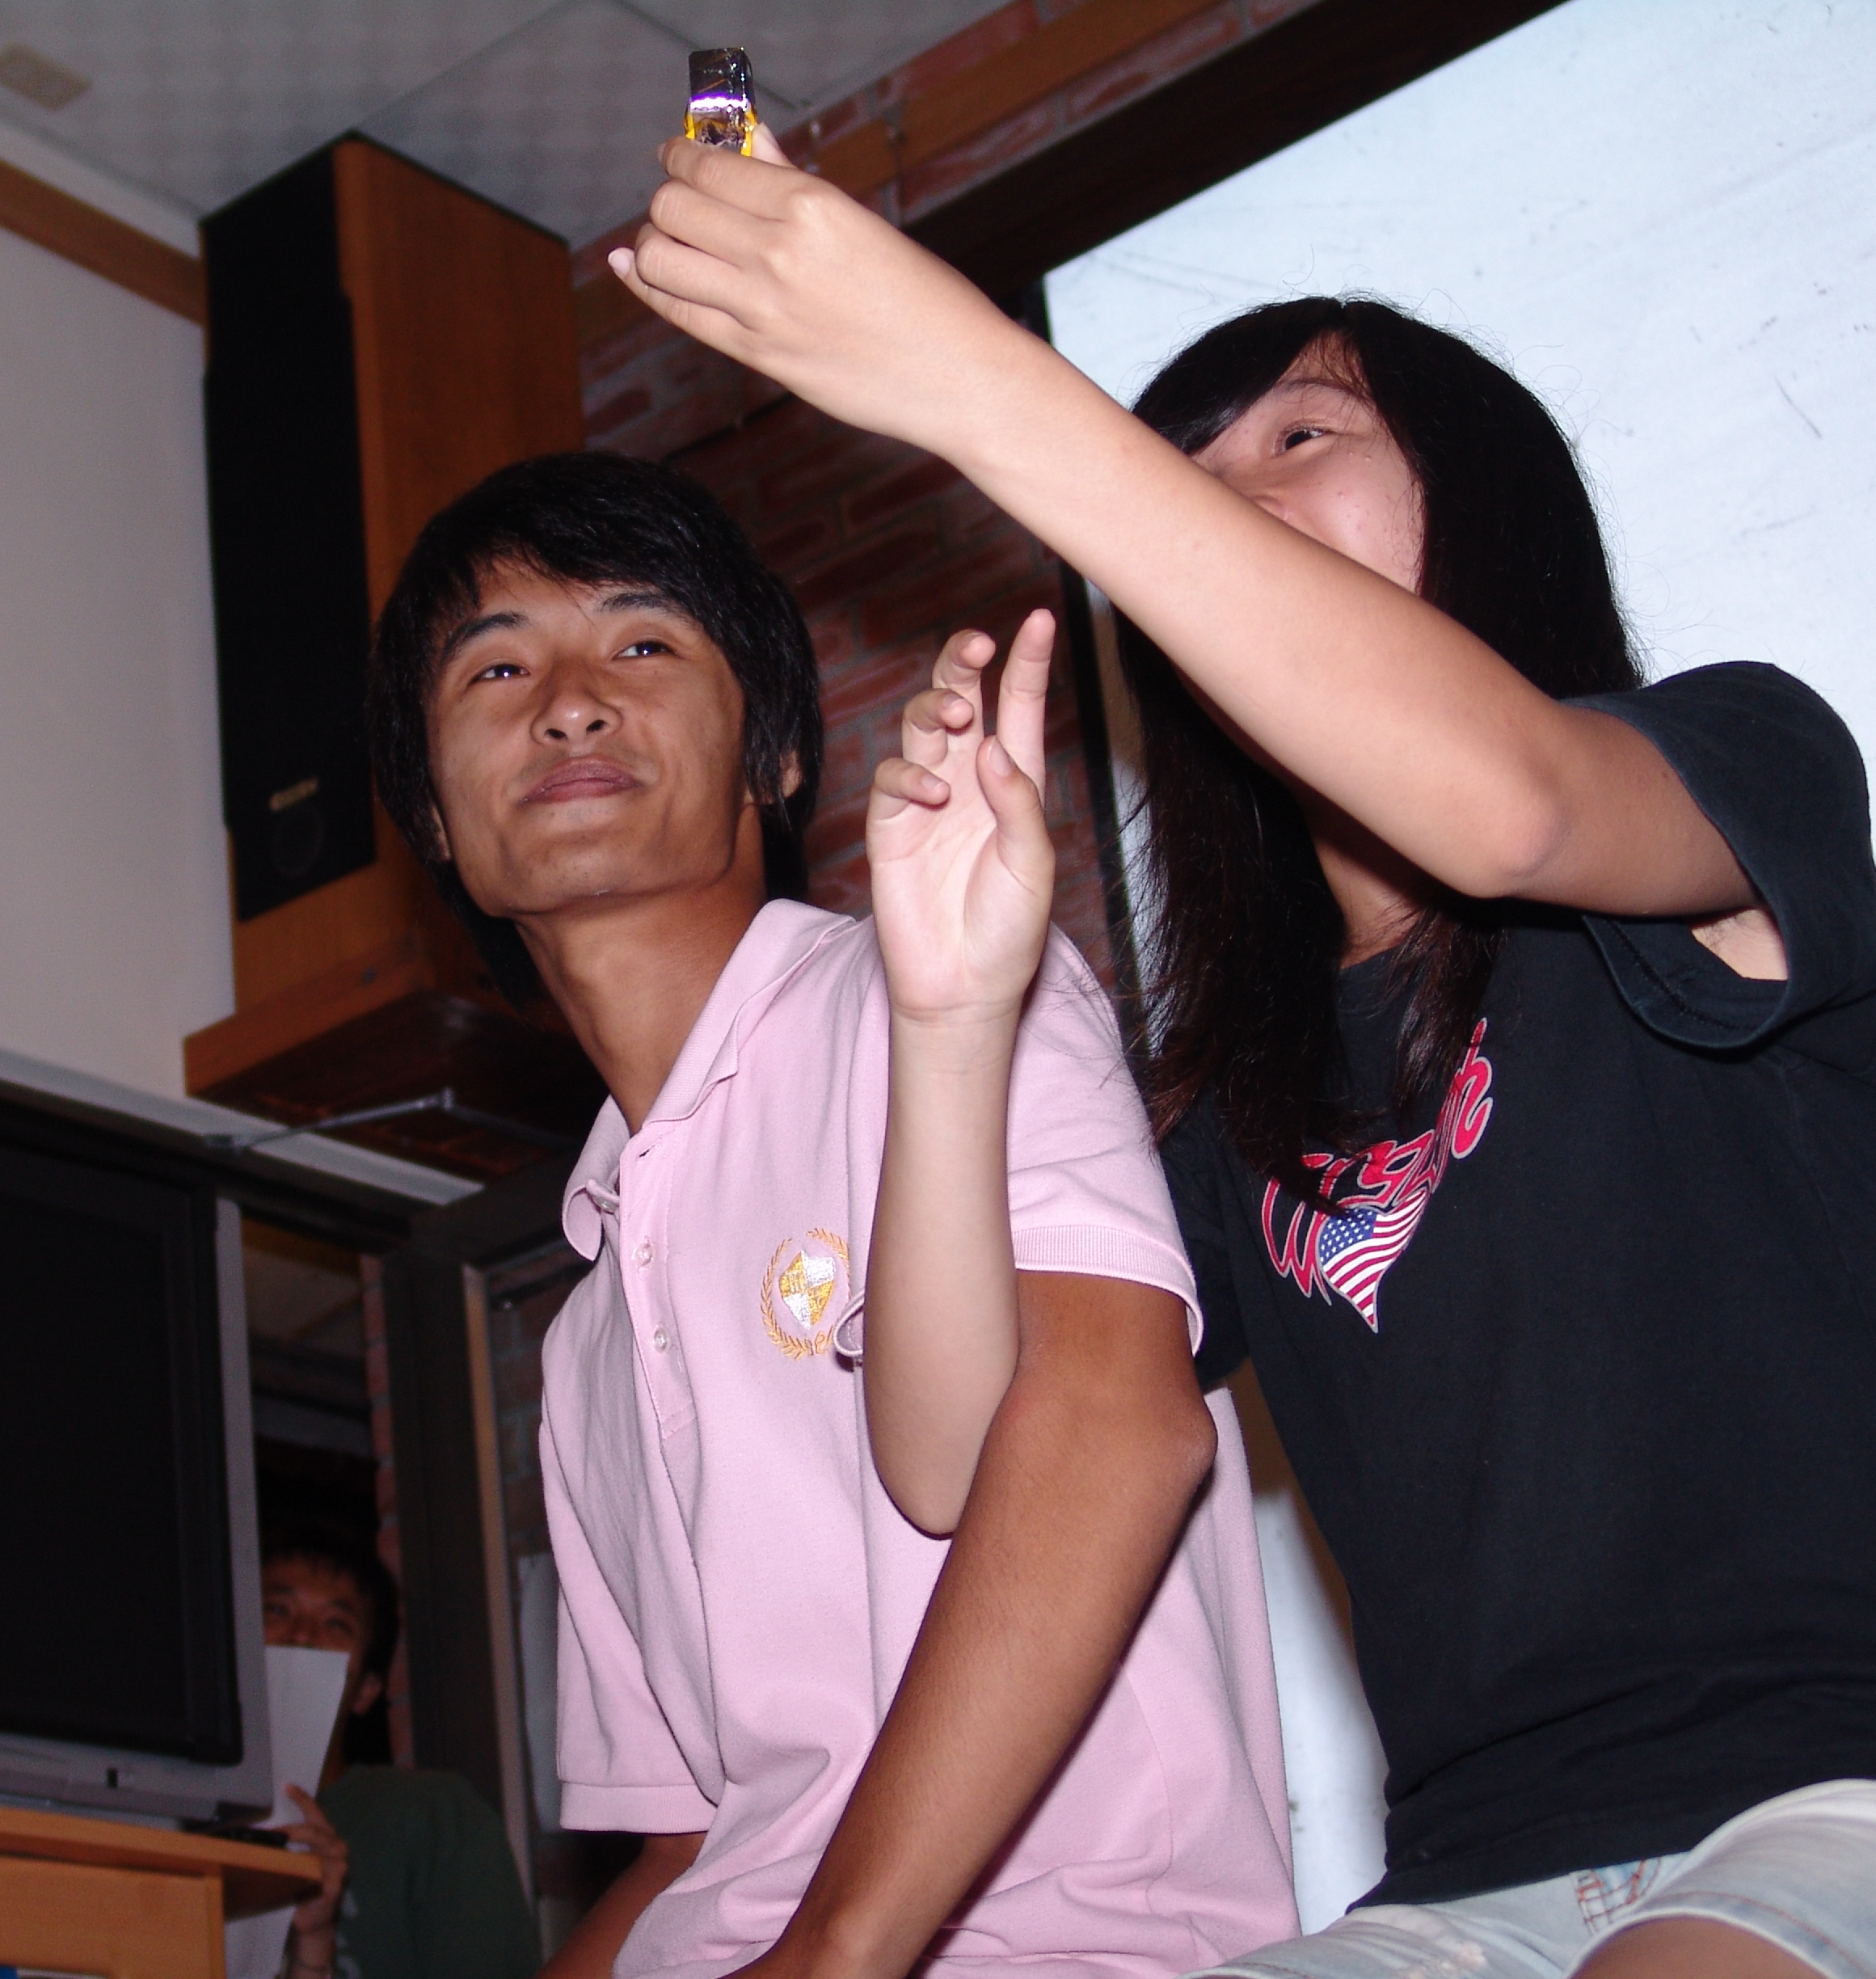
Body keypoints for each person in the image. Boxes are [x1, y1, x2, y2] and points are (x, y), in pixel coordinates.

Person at [605, 126, 1876, 1979]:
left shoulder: (1734, 766)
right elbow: (957, 1456)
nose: (1229, 500)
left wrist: (971, 385)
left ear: (1483, 500)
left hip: (1856, 1798)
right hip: (1460, 1888)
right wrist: (951, 1019)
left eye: (1302, 437)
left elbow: (1511, 809)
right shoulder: (1247, 1097)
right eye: (1192, 482)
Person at [363, 449, 1296, 1979]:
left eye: (642, 642)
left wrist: (831, 1952)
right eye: (497, 668)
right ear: (437, 820)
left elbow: (1114, 1429)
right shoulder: (584, 1334)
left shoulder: (935, 997)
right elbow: (694, 1851)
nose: (571, 703)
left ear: (776, 753)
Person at [259, 1525, 538, 1979]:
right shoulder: (170, 1809)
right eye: (277, 1610)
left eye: (336, 1624)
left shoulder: (431, 1815)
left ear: (367, 1689)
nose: (303, 1636)